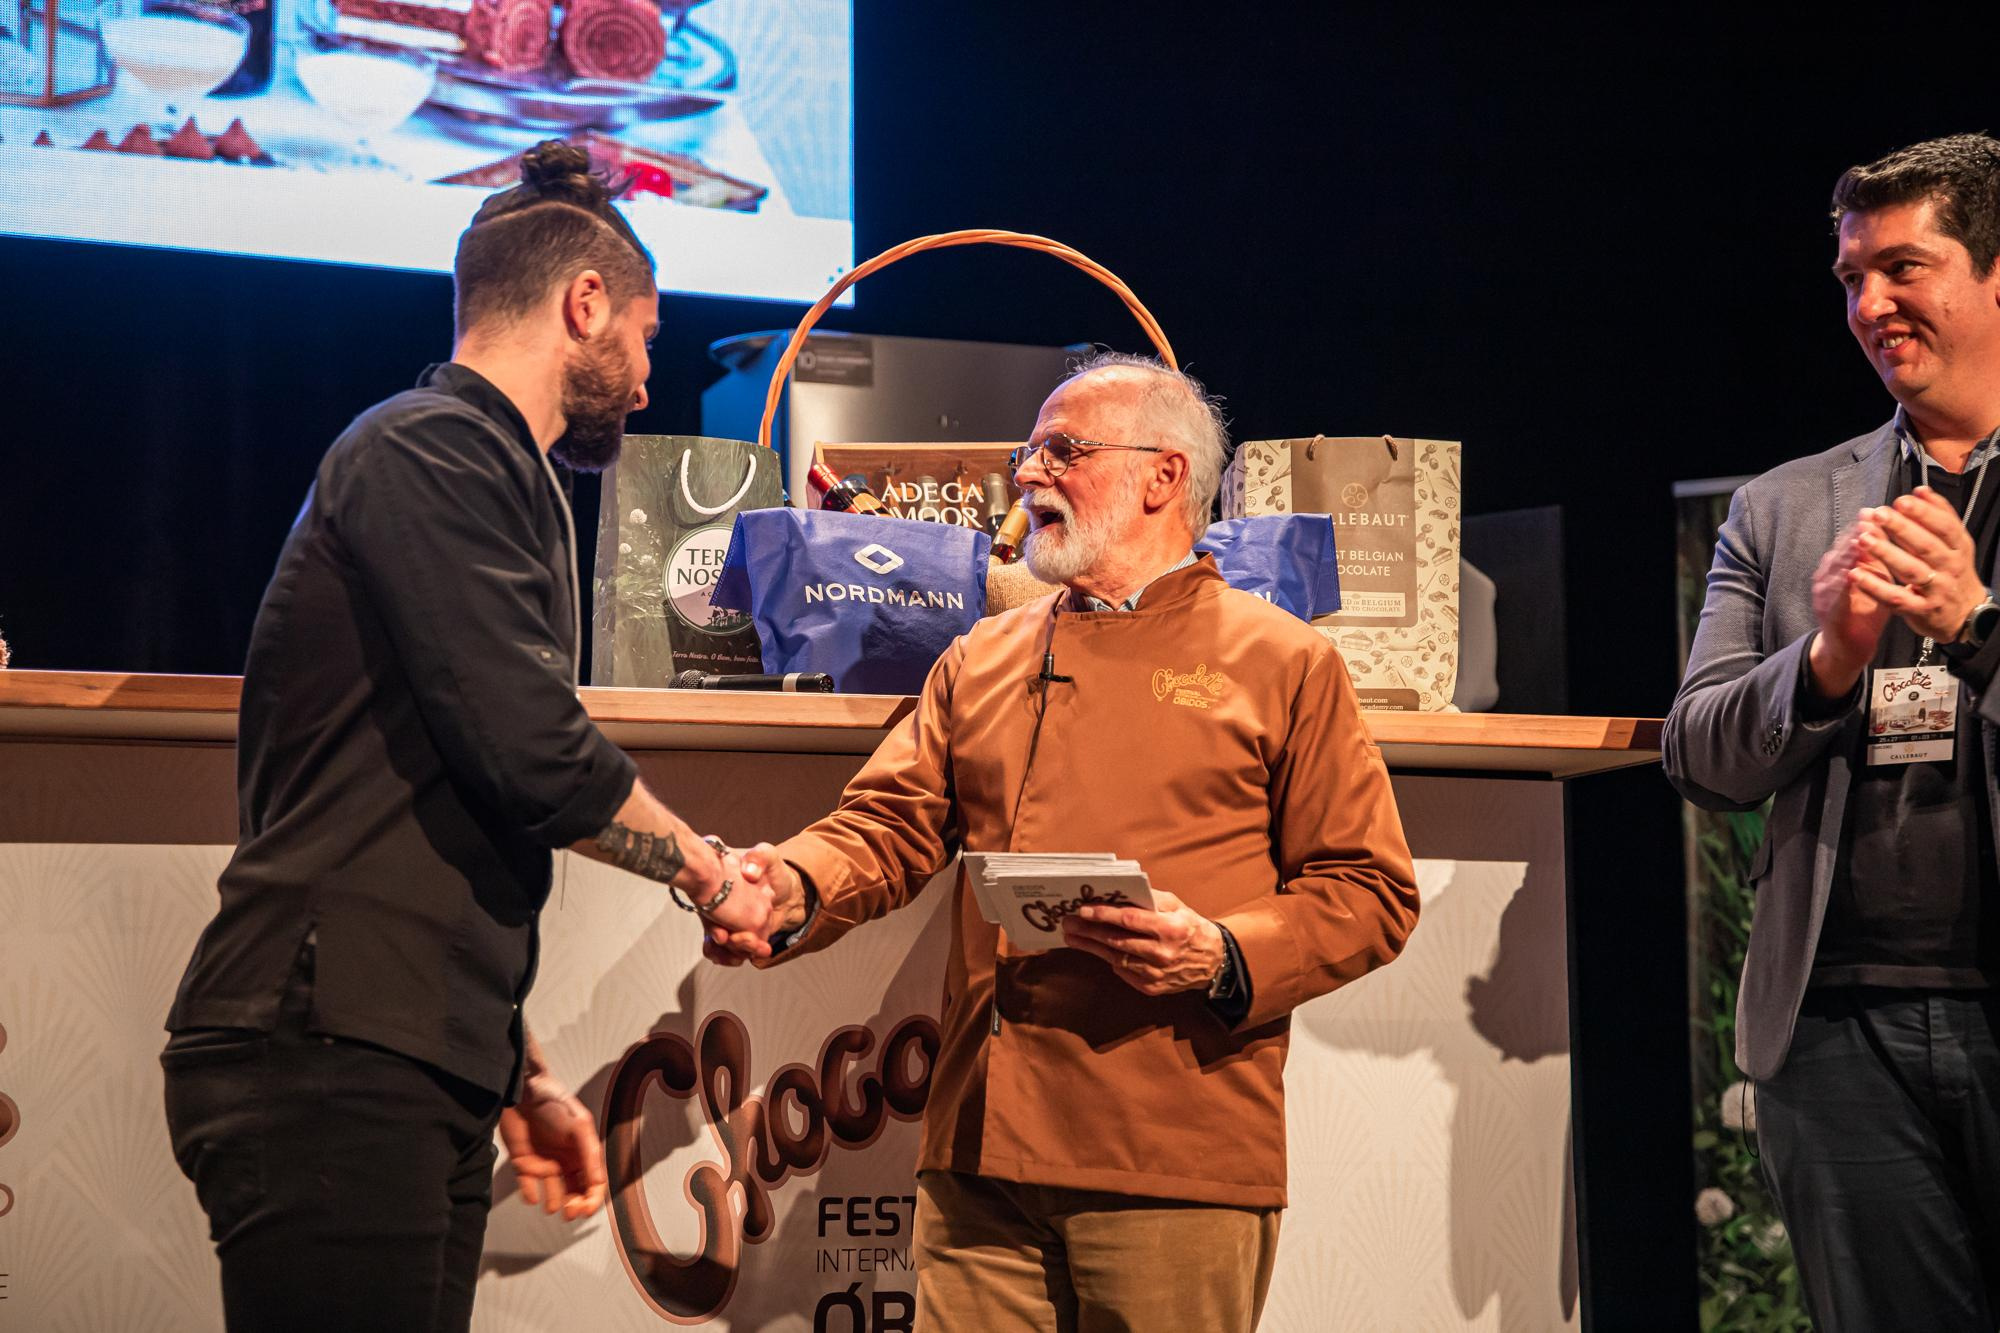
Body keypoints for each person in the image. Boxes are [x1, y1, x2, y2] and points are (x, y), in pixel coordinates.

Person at [160, 141, 772, 1333]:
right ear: (581, 302)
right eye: (645, 335)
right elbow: (529, 751)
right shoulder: (426, 449)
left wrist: (510, 1072)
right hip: (326, 1048)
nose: (648, 377)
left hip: (402, 1053)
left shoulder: (496, 472)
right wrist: (703, 866)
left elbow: (432, 815)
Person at [709, 353, 1420, 1332]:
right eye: (1027, 451)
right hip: (978, 1154)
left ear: (1161, 475)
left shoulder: (1280, 660)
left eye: (1062, 451)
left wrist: (1220, 951)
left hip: (1171, 1150)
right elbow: (883, 827)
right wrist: (788, 883)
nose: (1027, 474)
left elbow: (1368, 888)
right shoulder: (982, 656)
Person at [1665, 133, 2000, 1328]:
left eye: (1902, 268)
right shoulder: (1785, 505)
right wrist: (1822, 661)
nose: (1868, 305)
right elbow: (1697, 752)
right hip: (1834, 1034)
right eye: (1850, 276)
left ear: (1994, 271)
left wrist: (1974, 625)